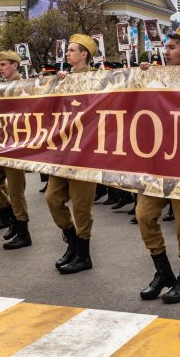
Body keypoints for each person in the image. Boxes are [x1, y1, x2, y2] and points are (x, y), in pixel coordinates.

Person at [135, 27, 180, 304]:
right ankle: (163, 272)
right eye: (167, 46)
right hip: (158, 162)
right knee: (144, 215)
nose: (167, 50)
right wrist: (139, 77)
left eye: (173, 47)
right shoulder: (155, 77)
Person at [44, 34, 99, 274]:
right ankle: (72, 241)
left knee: (81, 205)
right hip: (64, 150)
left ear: (84, 54)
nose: (68, 54)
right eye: (68, 50)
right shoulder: (64, 79)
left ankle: (83, 255)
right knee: (52, 198)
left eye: (72, 50)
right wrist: (56, 86)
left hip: (84, 151)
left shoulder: (97, 79)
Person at [0, 50, 33, 250]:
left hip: (16, 146)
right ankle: (11, 216)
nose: (0, 69)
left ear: (15, 66)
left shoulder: (25, 86)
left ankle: (23, 231)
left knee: (15, 191)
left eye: (3, 65)